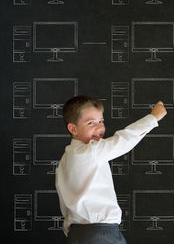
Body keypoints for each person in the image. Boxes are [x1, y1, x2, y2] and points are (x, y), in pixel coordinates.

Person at [55, 95, 167, 244]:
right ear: (73, 129)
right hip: (99, 233)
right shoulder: (90, 151)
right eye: (91, 123)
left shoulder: (64, 161)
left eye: (101, 121)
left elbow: (65, 202)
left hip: (78, 234)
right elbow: (123, 140)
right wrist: (153, 117)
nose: (100, 127)